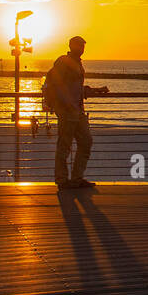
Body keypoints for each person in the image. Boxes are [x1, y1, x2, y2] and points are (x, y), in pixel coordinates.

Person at [43, 35, 109, 189]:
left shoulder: (78, 64)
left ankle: (77, 178)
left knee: (86, 142)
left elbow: (75, 88)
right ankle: (62, 180)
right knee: (64, 146)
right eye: (79, 46)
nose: (82, 49)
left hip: (78, 111)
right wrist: (64, 104)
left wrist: (95, 90)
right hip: (67, 111)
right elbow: (56, 84)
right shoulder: (63, 62)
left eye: (83, 46)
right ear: (72, 46)